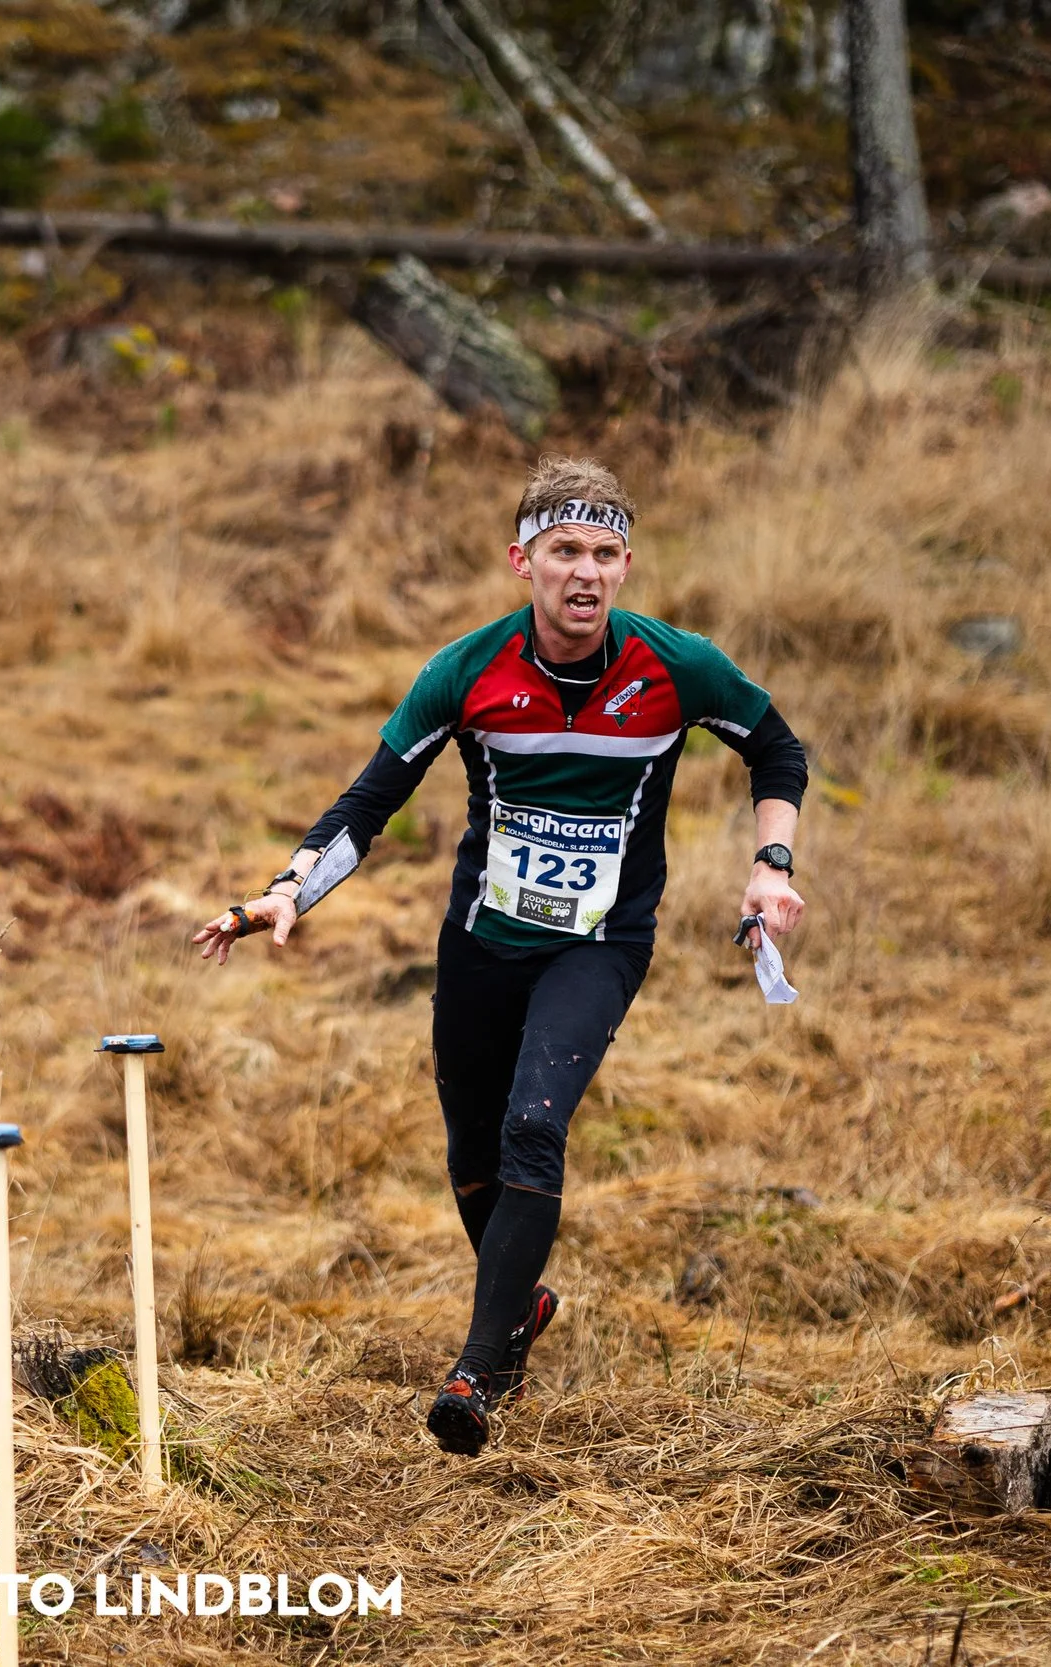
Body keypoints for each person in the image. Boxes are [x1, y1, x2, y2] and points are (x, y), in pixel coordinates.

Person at [190, 456, 809, 1456]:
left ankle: (477, 1371)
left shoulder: (675, 666)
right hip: (482, 940)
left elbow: (776, 748)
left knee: (534, 1125)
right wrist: (286, 889)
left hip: (599, 941)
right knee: (472, 1158)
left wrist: (768, 863)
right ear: (521, 560)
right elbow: (370, 799)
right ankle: (523, 1303)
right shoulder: (468, 670)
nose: (586, 573)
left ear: (626, 566)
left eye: (606, 554)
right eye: (565, 550)